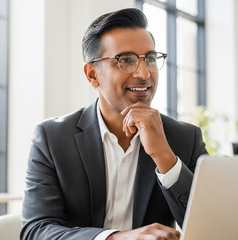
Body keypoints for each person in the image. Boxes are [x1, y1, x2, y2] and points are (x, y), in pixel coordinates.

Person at [21, 8, 207, 240]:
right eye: (125, 60)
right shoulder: (52, 138)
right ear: (92, 75)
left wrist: (164, 157)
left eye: (150, 59)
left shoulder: (185, 138)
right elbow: (35, 231)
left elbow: (209, 227)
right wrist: (117, 238)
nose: (144, 73)